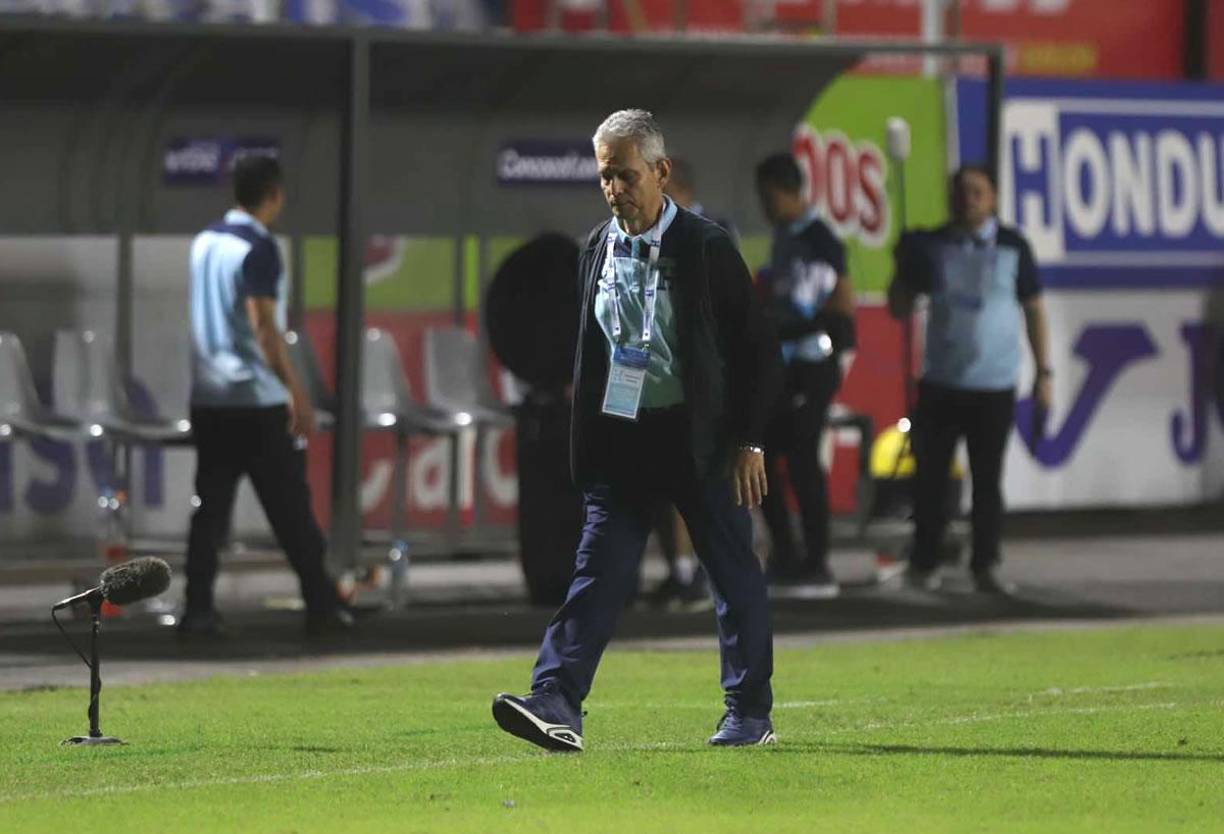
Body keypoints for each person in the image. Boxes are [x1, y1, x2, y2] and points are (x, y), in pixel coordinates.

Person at [492, 110, 784, 751]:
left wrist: (749, 440)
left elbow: (758, 350)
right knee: (597, 571)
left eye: (625, 176)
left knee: (731, 574)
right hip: (625, 439)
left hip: (700, 439)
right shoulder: (597, 247)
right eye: (605, 177)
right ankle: (556, 698)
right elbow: (595, 353)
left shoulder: (706, 248)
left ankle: (749, 712)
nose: (614, 189)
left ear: (661, 172)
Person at [181, 154, 352, 637]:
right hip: (255, 402)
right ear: (274, 195)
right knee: (291, 508)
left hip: (209, 398)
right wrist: (296, 392)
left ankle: (197, 610)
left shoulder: (204, 242)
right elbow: (264, 328)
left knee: (209, 513)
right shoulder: (258, 248)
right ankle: (322, 605)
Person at [887, 164, 1052, 594]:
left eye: (978, 191)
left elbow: (1034, 309)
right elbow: (899, 307)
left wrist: (1044, 373)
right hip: (941, 380)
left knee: (987, 481)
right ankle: (924, 561)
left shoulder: (1014, 246)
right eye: (961, 191)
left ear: (993, 197)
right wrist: (902, 268)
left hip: (994, 383)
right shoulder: (933, 245)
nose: (969, 200)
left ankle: (986, 564)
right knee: (931, 480)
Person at [753, 153, 856, 599]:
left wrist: (781, 326)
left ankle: (816, 563)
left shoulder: (819, 240)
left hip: (810, 365)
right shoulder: (785, 236)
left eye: (769, 196)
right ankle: (786, 555)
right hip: (784, 365)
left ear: (789, 191)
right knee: (762, 459)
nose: (765, 206)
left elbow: (830, 305)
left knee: (801, 462)